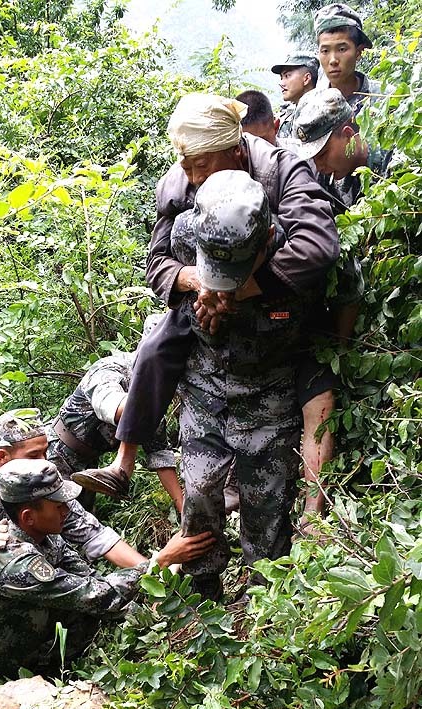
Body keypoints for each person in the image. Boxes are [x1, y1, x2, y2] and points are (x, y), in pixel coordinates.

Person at [73, 92, 339, 542]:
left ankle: (268, 577)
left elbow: (315, 247)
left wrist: (240, 286)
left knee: (265, 511)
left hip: (271, 360)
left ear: (235, 150)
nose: (194, 178)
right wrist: (199, 282)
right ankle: (131, 468)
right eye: (187, 166)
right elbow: (157, 264)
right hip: (205, 363)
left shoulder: (281, 172)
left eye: (203, 165)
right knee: (198, 495)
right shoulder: (179, 185)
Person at [0, 410, 206, 684]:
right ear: (3, 457)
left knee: (78, 612)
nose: (44, 462)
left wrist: (158, 584)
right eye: (33, 456)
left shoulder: (47, 512)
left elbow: (96, 557)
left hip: (14, 614)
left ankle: (41, 671)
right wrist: (161, 561)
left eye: (45, 452)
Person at [174, 170, 306, 600]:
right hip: (206, 384)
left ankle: (263, 599)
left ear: (265, 238)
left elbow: (344, 297)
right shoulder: (186, 232)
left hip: (269, 391)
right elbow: (161, 273)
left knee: (265, 501)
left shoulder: (298, 253)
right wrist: (199, 287)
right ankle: (203, 589)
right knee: (198, 490)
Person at [49, 316, 183, 513]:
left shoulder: (155, 401)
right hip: (56, 453)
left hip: (89, 466)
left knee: (80, 522)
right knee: (52, 519)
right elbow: (110, 404)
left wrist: (183, 508)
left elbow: (160, 456)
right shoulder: (110, 369)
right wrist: (152, 388)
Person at [292, 88, 393, 207]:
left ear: (348, 135)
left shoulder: (394, 162)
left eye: (323, 154)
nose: (319, 167)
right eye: (313, 158)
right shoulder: (332, 178)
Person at [314, 3, 381, 117]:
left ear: (359, 52)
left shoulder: (384, 97)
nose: (333, 60)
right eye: (325, 51)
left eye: (341, 49)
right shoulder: (312, 106)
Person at [269, 54, 319, 140]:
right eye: (281, 78)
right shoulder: (291, 111)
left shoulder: (317, 113)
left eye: (287, 76)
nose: (281, 83)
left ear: (306, 79)